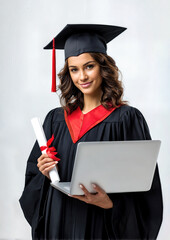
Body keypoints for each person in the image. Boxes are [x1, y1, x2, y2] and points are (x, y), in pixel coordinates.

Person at [19, 24, 163, 239]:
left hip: (101, 223)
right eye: (74, 69)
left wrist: (110, 204)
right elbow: (33, 182)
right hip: (59, 219)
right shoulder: (55, 119)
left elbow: (143, 186)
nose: (82, 77)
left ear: (103, 67)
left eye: (89, 66)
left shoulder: (126, 119)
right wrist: (44, 173)